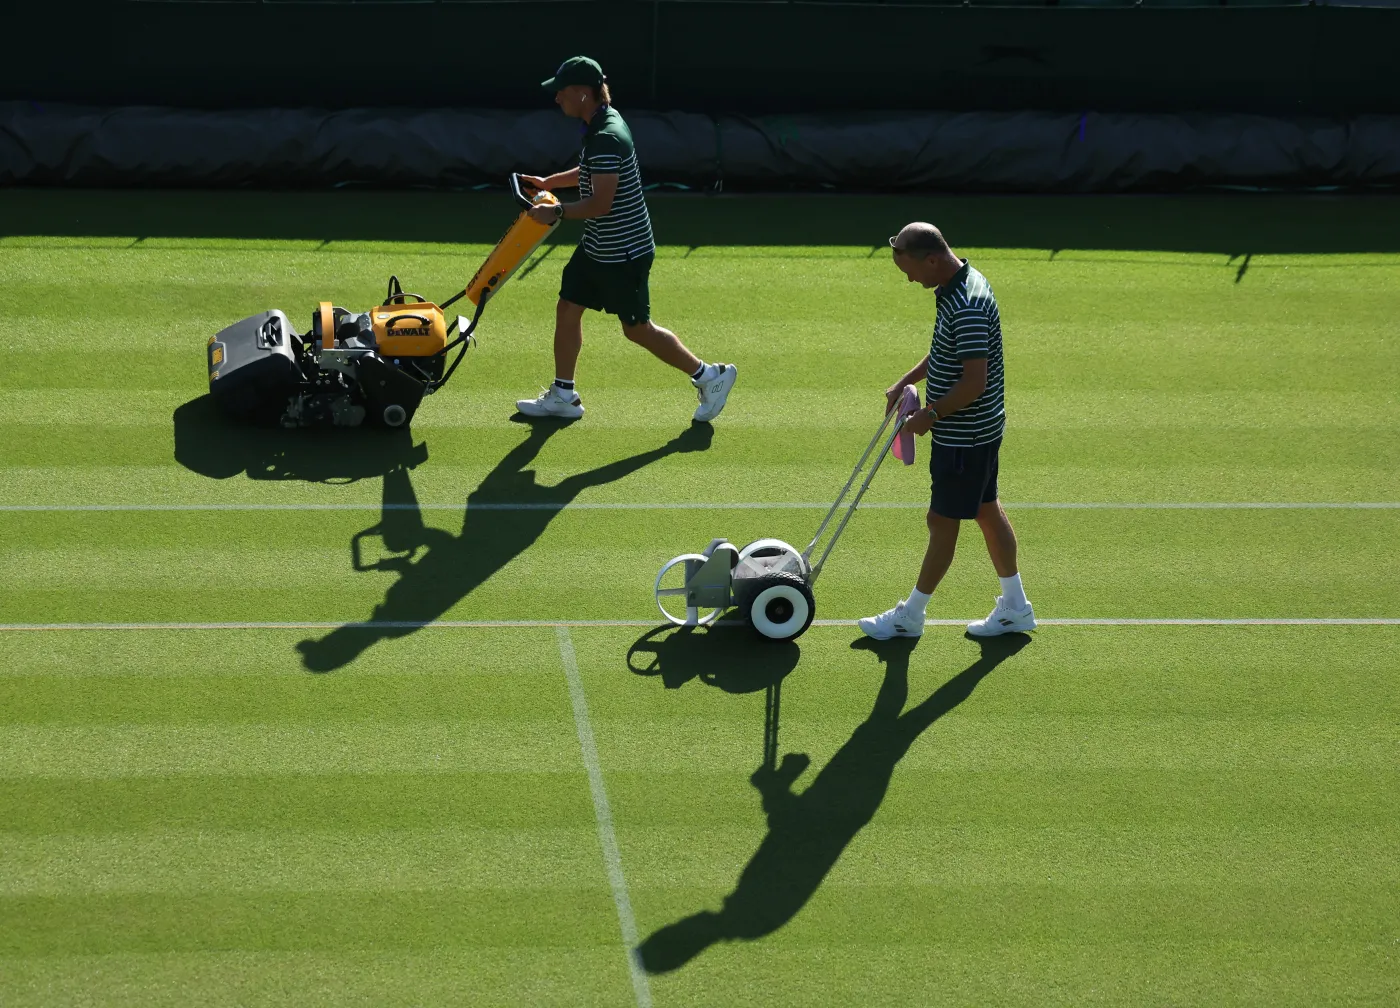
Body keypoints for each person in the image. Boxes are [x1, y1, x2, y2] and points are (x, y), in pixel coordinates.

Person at [514, 56, 737, 422]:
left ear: (584, 94)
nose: (557, 99)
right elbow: (591, 173)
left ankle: (710, 376)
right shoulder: (600, 121)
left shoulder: (605, 136)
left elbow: (600, 203)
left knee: (637, 330)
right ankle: (563, 396)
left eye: (562, 93)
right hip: (599, 246)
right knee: (568, 308)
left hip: (624, 253)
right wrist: (549, 183)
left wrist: (554, 212)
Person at [859, 222, 1036, 640]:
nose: (908, 278)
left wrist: (930, 417)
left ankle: (911, 616)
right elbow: (945, 350)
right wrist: (908, 379)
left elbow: (974, 382)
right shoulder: (957, 286)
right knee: (986, 510)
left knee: (942, 522)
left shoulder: (968, 304)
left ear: (932, 259)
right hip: (977, 431)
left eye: (910, 269)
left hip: (964, 435)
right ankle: (1016, 607)